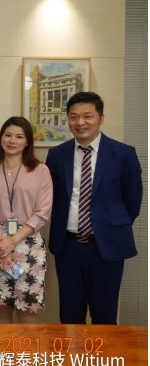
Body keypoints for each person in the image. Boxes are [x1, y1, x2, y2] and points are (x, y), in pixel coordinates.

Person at [46, 92, 142, 325]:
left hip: (106, 246)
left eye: (88, 116)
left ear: (101, 118)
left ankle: (102, 352)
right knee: (70, 316)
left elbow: (132, 200)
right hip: (68, 246)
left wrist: (108, 227)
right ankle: (72, 351)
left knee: (104, 316)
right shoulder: (57, 155)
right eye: (74, 117)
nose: (80, 122)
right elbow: (51, 198)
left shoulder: (124, 154)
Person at [0, 116, 53, 323]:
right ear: (1, 138)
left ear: (27, 142)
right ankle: (4, 348)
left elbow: (43, 211)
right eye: (8, 135)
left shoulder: (40, 170)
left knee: (27, 313)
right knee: (1, 310)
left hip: (29, 246)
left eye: (19, 136)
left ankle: (25, 348)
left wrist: (12, 241)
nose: (12, 141)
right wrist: (1, 243)